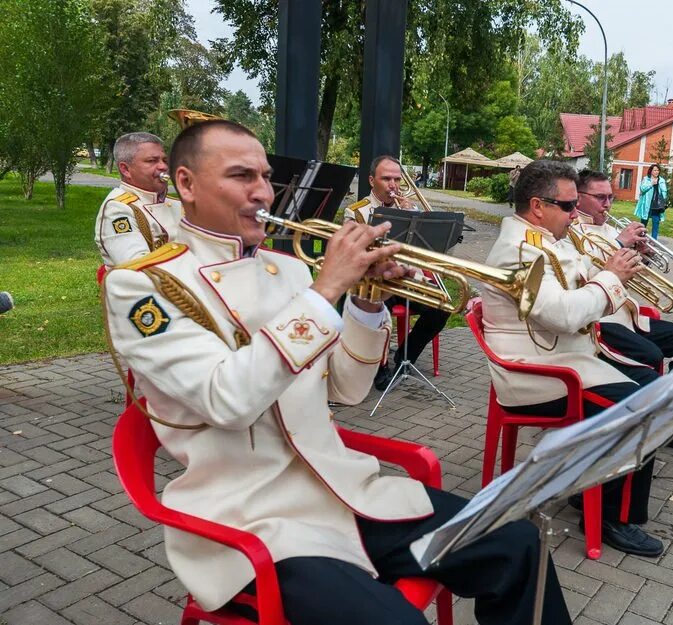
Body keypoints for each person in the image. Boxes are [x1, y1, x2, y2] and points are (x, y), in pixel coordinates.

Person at [101, 120, 571, 625]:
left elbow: (347, 388)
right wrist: (325, 293)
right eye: (241, 176)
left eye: (264, 175)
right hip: (251, 517)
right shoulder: (143, 287)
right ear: (186, 185)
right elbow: (228, 400)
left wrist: (367, 302)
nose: (262, 191)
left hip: (341, 490)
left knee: (519, 544)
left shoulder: (290, 271)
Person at [482, 159, 664, 557]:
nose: (574, 213)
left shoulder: (546, 237)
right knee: (645, 408)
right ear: (537, 206)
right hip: (538, 373)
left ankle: (597, 490)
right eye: (567, 206)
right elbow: (563, 315)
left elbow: (577, 271)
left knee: (654, 386)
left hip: (565, 357)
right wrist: (612, 278)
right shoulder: (518, 251)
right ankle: (610, 517)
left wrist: (613, 261)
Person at [572, 169, 673, 455]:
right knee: (651, 355)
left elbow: (631, 275)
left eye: (610, 197)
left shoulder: (611, 229)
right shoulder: (572, 230)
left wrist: (644, 256)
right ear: (578, 198)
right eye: (600, 198)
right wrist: (620, 245)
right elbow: (584, 278)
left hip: (629, 315)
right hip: (602, 321)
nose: (607, 205)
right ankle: (662, 424)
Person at [343, 155, 451, 390]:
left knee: (441, 307)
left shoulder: (410, 209)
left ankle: (404, 358)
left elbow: (424, 250)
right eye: (386, 179)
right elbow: (355, 255)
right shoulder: (357, 213)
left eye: (396, 179)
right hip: (376, 282)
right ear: (372, 181)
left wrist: (416, 219)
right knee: (378, 311)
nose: (393, 185)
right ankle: (378, 368)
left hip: (406, 279)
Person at [95, 132, 183, 267]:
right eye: (152, 161)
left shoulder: (177, 204)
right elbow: (139, 267)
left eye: (164, 160)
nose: (163, 167)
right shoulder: (118, 208)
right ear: (126, 170)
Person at [633, 164, 667, 240]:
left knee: (656, 223)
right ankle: (641, 239)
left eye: (658, 170)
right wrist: (651, 183)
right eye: (655, 170)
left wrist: (663, 200)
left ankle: (654, 241)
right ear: (651, 171)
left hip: (657, 206)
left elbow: (664, 191)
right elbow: (642, 188)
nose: (656, 172)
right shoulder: (646, 179)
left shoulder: (661, 180)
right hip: (647, 205)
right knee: (643, 223)